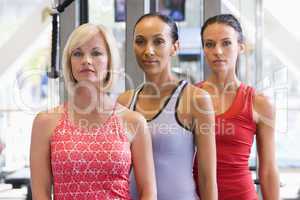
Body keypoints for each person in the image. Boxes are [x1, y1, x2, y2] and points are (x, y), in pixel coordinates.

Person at [30, 23, 157, 200]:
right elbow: (40, 193)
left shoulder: (134, 121)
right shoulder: (45, 122)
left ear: (109, 61)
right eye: (78, 53)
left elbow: (148, 191)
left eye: (96, 53)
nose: (86, 60)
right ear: (69, 63)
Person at [118, 13, 217, 200]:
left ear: (175, 47)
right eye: (140, 41)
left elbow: (207, 178)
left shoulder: (196, 99)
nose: (148, 50)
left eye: (158, 42)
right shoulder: (123, 102)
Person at [194, 14, 280, 199]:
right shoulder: (189, 96)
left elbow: (268, 170)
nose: (217, 51)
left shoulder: (260, 102)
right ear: (204, 49)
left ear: (241, 47)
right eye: (209, 44)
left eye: (226, 43)